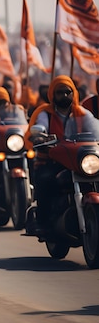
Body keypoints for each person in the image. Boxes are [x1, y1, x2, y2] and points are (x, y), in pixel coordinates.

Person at [27, 75, 99, 235]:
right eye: (60, 92)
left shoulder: (82, 113)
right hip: (52, 160)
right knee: (46, 180)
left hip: (78, 160)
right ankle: (42, 221)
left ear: (74, 93)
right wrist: (40, 136)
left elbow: (95, 129)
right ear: (53, 94)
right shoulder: (46, 113)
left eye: (68, 92)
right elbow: (40, 127)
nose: (65, 96)